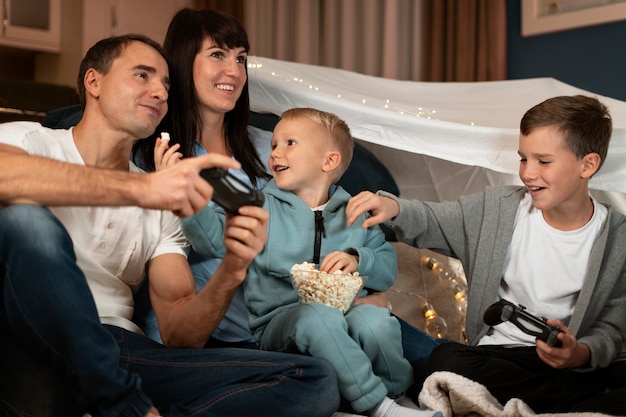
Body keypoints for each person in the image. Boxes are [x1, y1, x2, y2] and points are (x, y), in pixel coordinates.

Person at [0, 34, 340, 417]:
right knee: (26, 220)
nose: (160, 92)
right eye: (143, 76)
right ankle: (124, 404)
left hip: (119, 349)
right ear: (93, 82)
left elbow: (179, 332)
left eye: (165, 84)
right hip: (24, 333)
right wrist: (142, 187)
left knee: (314, 380)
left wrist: (232, 267)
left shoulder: (162, 202)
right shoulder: (29, 140)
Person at [345, 95, 626, 415]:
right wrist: (393, 206)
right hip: (498, 357)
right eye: (523, 159)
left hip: (570, 364)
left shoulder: (618, 235)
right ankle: (581, 398)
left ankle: (574, 392)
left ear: (587, 165)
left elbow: (613, 326)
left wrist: (583, 353)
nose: (528, 173)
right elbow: (436, 219)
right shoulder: (499, 208)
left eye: (543, 161)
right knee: (446, 360)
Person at [182, 107, 442, 417]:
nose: (275, 152)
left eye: (289, 143)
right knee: (319, 318)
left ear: (329, 161)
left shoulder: (355, 212)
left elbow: (386, 271)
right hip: (281, 323)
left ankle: (395, 395)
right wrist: (188, 200)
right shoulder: (260, 207)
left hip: (346, 312)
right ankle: (377, 406)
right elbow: (210, 239)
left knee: (376, 322)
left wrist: (358, 259)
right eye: (274, 144)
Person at [131, 7, 271, 348]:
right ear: (182, 62)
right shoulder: (150, 155)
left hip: (278, 315)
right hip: (203, 327)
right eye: (217, 55)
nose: (233, 71)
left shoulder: (271, 147)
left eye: (240, 59)